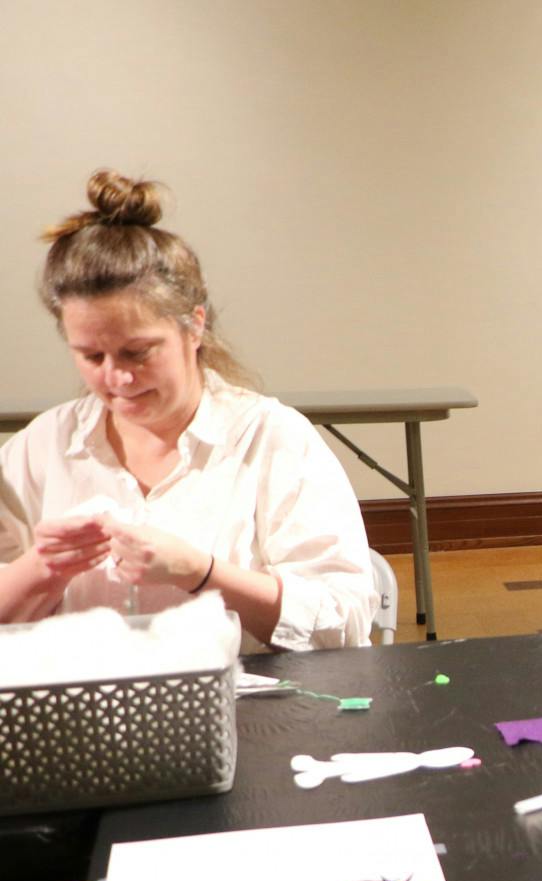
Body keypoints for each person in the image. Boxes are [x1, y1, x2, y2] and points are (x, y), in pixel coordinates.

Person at [0, 171, 373, 649]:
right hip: (87, 710)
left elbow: (344, 623)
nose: (116, 378)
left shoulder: (272, 439)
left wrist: (202, 573)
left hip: (248, 714)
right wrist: (42, 570)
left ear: (194, 327)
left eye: (138, 352)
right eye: (92, 356)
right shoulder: (43, 445)